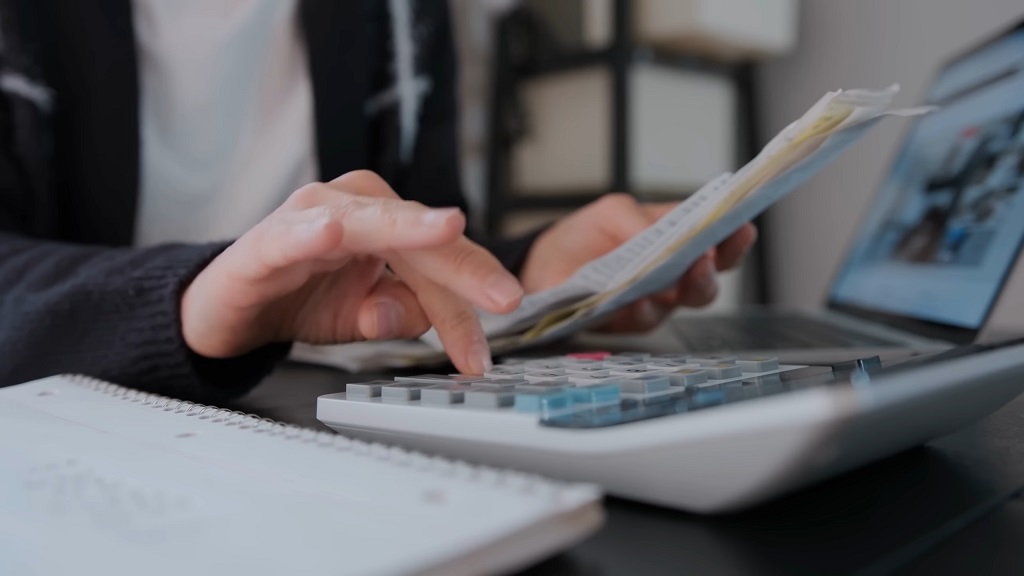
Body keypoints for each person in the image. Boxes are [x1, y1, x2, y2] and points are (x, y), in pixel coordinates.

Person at [0, 0, 755, 401]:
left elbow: (418, 234)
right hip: (93, 420)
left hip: (335, 407)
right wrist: (189, 301)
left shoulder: (401, 15)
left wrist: (529, 270)